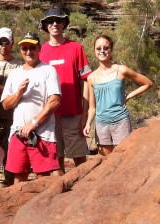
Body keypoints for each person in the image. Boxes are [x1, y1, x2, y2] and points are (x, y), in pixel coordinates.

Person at [1, 32, 61, 184]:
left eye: (32, 47)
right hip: (18, 134)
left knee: (44, 180)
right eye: (25, 48)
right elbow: (6, 104)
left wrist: (34, 123)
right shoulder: (15, 74)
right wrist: (19, 93)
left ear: (39, 48)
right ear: (20, 50)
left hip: (42, 134)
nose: (29, 51)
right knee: (18, 180)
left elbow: (54, 101)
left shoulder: (48, 70)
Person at [39, 7, 92, 175]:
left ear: (64, 23)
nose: (54, 24)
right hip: (49, 117)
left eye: (58, 20)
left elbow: (87, 82)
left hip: (73, 114)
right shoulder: (40, 52)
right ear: (45, 25)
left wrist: (85, 115)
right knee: (56, 161)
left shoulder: (76, 48)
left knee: (80, 159)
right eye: (50, 21)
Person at [83, 35, 153, 156]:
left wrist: (129, 96)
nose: (102, 51)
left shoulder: (121, 70)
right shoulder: (91, 78)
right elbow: (92, 107)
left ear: (111, 50)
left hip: (121, 122)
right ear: (94, 51)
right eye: (98, 48)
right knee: (106, 164)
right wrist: (88, 123)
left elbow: (148, 83)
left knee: (124, 160)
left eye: (106, 47)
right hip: (102, 124)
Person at [0, 27, 22, 187]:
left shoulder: (19, 65)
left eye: (6, 42)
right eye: (0, 42)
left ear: (12, 43)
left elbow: (20, 92)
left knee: (11, 160)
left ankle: (11, 193)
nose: (3, 46)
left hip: (13, 118)